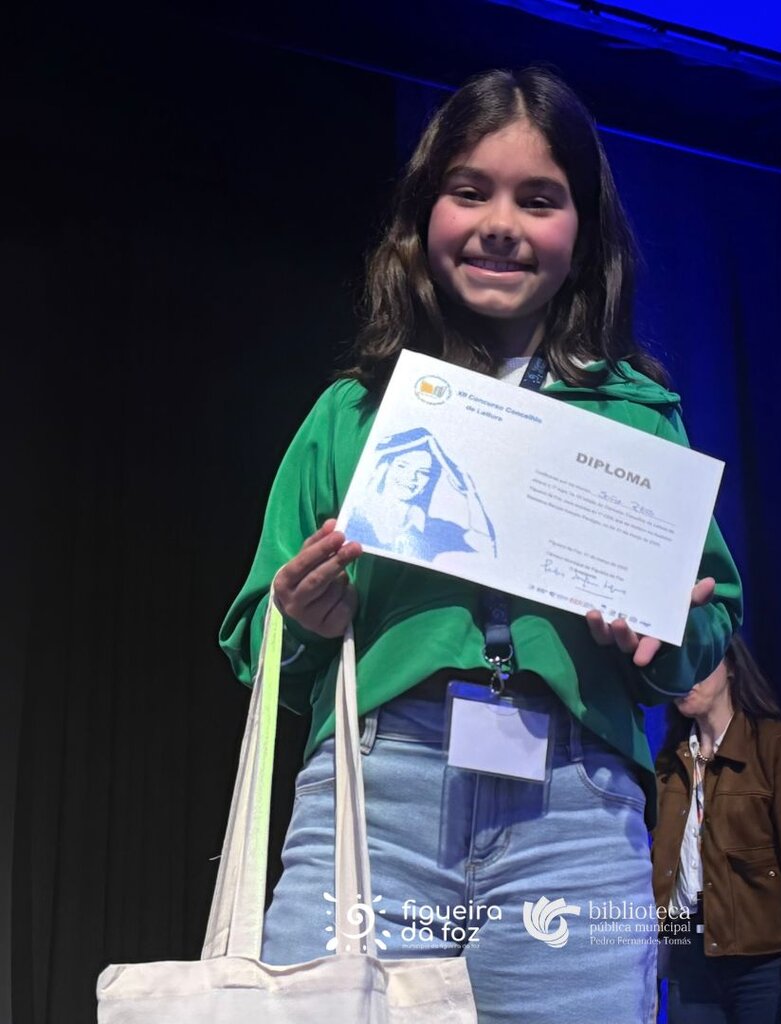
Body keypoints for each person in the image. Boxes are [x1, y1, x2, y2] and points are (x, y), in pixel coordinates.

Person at [220, 67, 742, 1024]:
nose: (501, 223)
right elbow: (256, 637)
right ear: (426, 215)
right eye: (470, 192)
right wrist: (297, 618)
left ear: (582, 231)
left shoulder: (638, 417)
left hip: (574, 815)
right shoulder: (353, 412)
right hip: (378, 798)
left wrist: (664, 633)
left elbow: (710, 626)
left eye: (538, 200)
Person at [651, 636, 781, 1024]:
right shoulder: (669, 765)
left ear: (730, 667)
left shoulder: (779, 746)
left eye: (697, 662)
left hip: (764, 965)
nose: (684, 677)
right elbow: (660, 874)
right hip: (689, 962)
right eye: (675, 667)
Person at [343, 428, 497, 561]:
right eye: (402, 466)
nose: (411, 477)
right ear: (384, 467)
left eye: (423, 472)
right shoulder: (353, 517)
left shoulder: (434, 529)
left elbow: (485, 547)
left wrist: (470, 493)